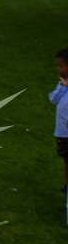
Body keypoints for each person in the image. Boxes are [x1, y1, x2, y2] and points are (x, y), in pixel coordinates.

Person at [49, 48, 68, 194]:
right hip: (62, 131)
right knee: (66, 158)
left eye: (61, 65)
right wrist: (62, 86)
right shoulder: (63, 83)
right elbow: (53, 99)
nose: (58, 69)